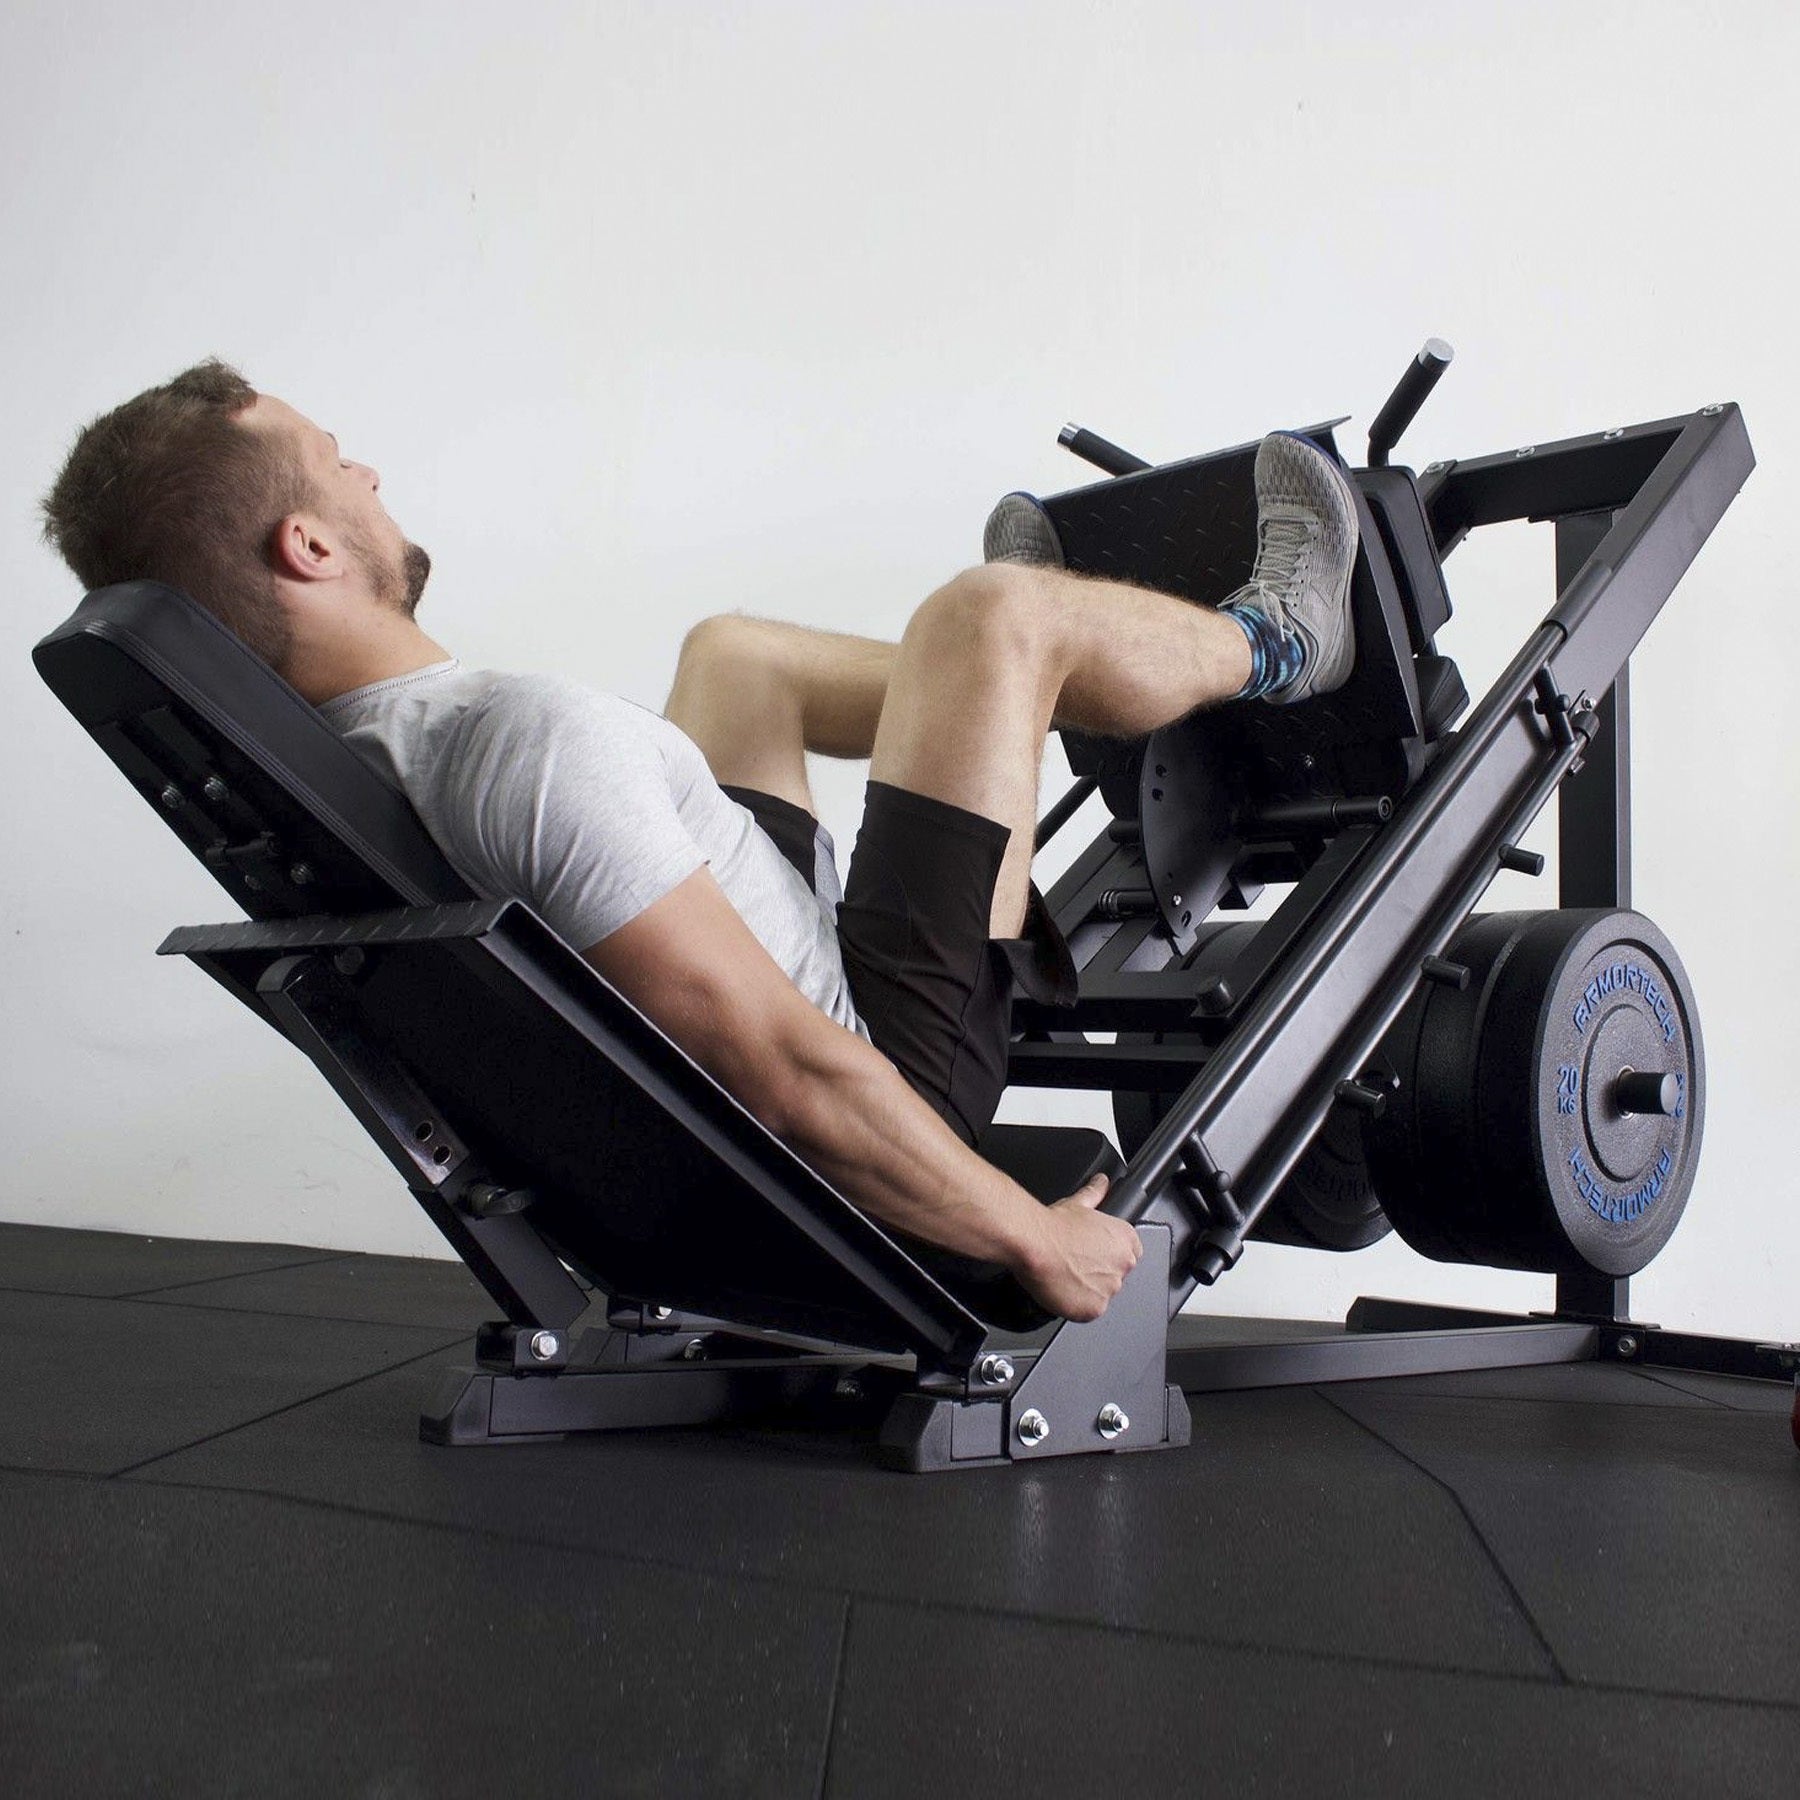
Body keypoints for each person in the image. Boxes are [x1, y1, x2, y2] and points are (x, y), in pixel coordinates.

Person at [40, 361, 1358, 1323]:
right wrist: (1027, 1235)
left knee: (734, 656)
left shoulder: (371, 754)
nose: (369, 474)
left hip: (772, 992)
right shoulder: (519, 745)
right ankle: (1268, 641)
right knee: (995, 612)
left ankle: (1065, 679)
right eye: (339, 464)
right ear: (311, 544)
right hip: (890, 1062)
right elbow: (780, 1067)